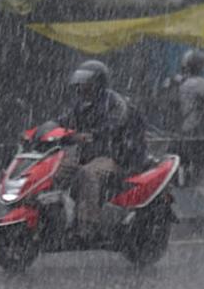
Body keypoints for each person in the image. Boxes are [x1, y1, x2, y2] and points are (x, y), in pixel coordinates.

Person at [56, 59, 147, 239]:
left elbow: (113, 125)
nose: (81, 87)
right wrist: (43, 130)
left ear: (98, 83)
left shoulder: (115, 102)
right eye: (80, 83)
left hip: (114, 156)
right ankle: (53, 218)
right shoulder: (80, 105)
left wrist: (91, 134)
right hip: (87, 156)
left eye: (86, 83)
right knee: (55, 171)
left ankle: (88, 225)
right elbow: (61, 121)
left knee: (87, 173)